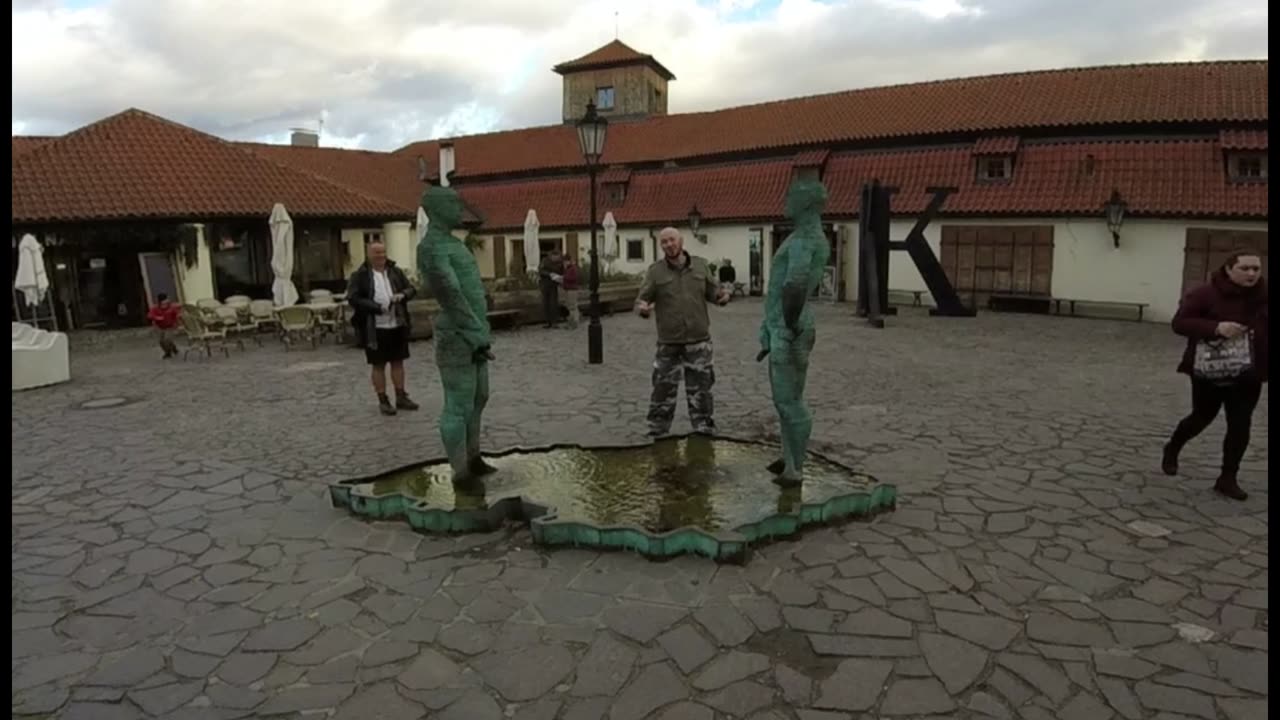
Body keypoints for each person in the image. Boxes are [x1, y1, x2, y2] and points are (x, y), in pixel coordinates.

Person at [1163, 250, 1268, 501]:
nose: (1252, 273)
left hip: (1248, 372)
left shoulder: (1265, 296)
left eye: (1256, 268)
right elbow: (1180, 323)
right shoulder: (1205, 293)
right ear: (1229, 269)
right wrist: (1216, 328)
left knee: (1240, 424)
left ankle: (1227, 478)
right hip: (1210, 370)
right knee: (1201, 417)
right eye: (1245, 268)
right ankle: (1173, 446)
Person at [419, 181, 498, 482]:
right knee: (459, 402)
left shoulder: (454, 243)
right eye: (453, 204)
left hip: (475, 332)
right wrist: (474, 332)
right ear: (437, 209)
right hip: (457, 335)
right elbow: (450, 292)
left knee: (480, 397)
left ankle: (474, 456)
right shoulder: (431, 247)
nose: (459, 209)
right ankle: (460, 470)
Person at [758, 177, 831, 487]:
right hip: (789, 325)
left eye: (790, 197)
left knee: (790, 402)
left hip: (791, 327)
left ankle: (795, 468)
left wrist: (784, 326)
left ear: (805, 204)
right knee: (786, 398)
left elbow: (795, 284)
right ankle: (789, 457)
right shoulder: (810, 237)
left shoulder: (804, 241)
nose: (785, 201)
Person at [635, 227, 730, 436]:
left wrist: (722, 297)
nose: (669, 245)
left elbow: (713, 292)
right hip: (668, 343)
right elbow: (642, 298)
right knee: (662, 388)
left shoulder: (700, 266)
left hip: (699, 341)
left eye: (672, 240)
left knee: (701, 389)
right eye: (664, 242)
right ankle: (658, 429)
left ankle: (703, 427)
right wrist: (642, 308)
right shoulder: (655, 271)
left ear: (681, 241)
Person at [347, 241, 419, 416]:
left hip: (397, 323)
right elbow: (353, 298)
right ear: (369, 255)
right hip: (374, 327)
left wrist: (402, 295)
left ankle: (401, 395)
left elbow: (411, 289)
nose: (381, 256)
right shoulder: (360, 275)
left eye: (383, 252)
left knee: (398, 361)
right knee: (378, 364)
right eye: (376, 253)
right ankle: (383, 399)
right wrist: (376, 307)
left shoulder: (395, 272)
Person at [146, 293, 181, 359]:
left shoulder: (171, 307)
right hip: (160, 327)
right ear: (161, 301)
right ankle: (171, 349)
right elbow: (149, 315)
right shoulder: (155, 308)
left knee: (167, 339)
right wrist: (156, 318)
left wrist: (177, 323)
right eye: (166, 299)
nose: (168, 300)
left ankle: (168, 352)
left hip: (170, 326)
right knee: (161, 341)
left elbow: (177, 314)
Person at [538, 248, 565, 328]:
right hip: (545, 284)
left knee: (553, 304)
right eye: (555, 257)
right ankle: (548, 322)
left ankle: (554, 322)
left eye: (558, 257)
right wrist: (549, 274)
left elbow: (562, 271)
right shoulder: (545, 261)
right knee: (545, 304)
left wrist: (561, 277)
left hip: (554, 285)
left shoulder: (560, 262)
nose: (557, 259)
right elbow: (540, 271)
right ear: (552, 256)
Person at [562, 256, 581, 329]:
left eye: (565, 261)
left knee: (572, 307)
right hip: (568, 289)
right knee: (570, 306)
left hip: (572, 289)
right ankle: (572, 322)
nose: (564, 263)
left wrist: (564, 277)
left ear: (568, 261)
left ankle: (574, 323)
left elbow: (574, 278)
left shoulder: (573, 268)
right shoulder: (568, 269)